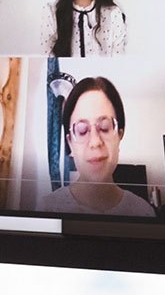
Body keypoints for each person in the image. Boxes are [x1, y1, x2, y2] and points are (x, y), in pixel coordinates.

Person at [39, 77, 158, 217]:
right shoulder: (46, 209)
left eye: (105, 127)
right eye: (82, 130)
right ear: (70, 142)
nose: (95, 142)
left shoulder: (144, 213)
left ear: (119, 135)